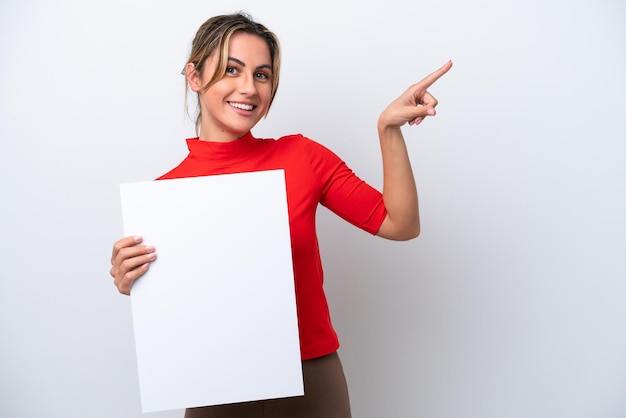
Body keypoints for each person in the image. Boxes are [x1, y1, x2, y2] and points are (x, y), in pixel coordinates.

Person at [110, 12, 452, 418]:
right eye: (231, 70)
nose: (248, 88)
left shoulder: (301, 157)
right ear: (194, 77)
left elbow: (400, 224)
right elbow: (171, 307)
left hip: (311, 381)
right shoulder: (164, 197)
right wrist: (131, 280)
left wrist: (388, 130)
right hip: (214, 383)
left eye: (262, 74)